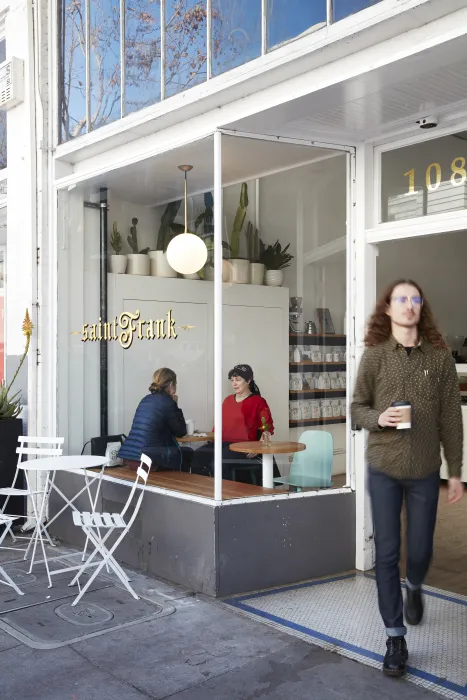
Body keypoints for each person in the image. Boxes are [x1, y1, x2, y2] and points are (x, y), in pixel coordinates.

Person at [351, 279, 464, 678]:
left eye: (415, 299)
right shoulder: (375, 357)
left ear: (421, 308)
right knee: (385, 552)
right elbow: (356, 408)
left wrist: (456, 472)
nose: (409, 305)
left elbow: (452, 416)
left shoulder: (439, 358)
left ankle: (414, 584)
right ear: (388, 309)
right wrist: (377, 419)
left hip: (423, 472)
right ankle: (395, 637)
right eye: (401, 299)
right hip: (382, 467)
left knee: (418, 550)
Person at [192, 364, 280, 483]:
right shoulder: (227, 400)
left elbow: (267, 427)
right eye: (232, 380)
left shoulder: (258, 401)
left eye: (238, 380)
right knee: (198, 455)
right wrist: (213, 437)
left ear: (248, 381)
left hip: (244, 446)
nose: (234, 384)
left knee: (218, 462)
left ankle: (225, 495)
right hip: (223, 444)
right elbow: (219, 424)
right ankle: (204, 491)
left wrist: (259, 447)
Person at [118, 367, 193, 472]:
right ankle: (180, 487)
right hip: (148, 458)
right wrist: (175, 404)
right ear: (171, 385)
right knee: (187, 453)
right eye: (176, 385)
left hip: (129, 455)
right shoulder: (168, 402)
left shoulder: (145, 399)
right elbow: (181, 432)